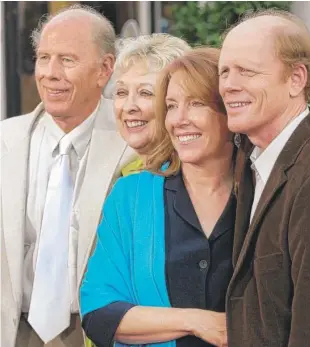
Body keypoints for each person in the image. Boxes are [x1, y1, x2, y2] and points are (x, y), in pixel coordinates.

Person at [80, 48, 242, 347]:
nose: (179, 119)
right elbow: (98, 311)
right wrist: (197, 321)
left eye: (196, 103)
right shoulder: (131, 195)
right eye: (170, 106)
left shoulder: (265, 192)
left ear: (229, 110)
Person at [1, 5, 135, 347]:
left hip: (97, 332)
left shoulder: (134, 145)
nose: (49, 73)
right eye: (44, 58)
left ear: (104, 69)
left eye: (67, 60)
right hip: (12, 329)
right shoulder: (6, 140)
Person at [219, 9, 310, 347]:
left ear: (296, 79)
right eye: (225, 71)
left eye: (246, 71)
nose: (229, 85)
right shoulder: (251, 158)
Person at [112, 33, 190, 176]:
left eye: (145, 93)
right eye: (121, 92)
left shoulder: (192, 177)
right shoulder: (125, 172)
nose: (129, 106)